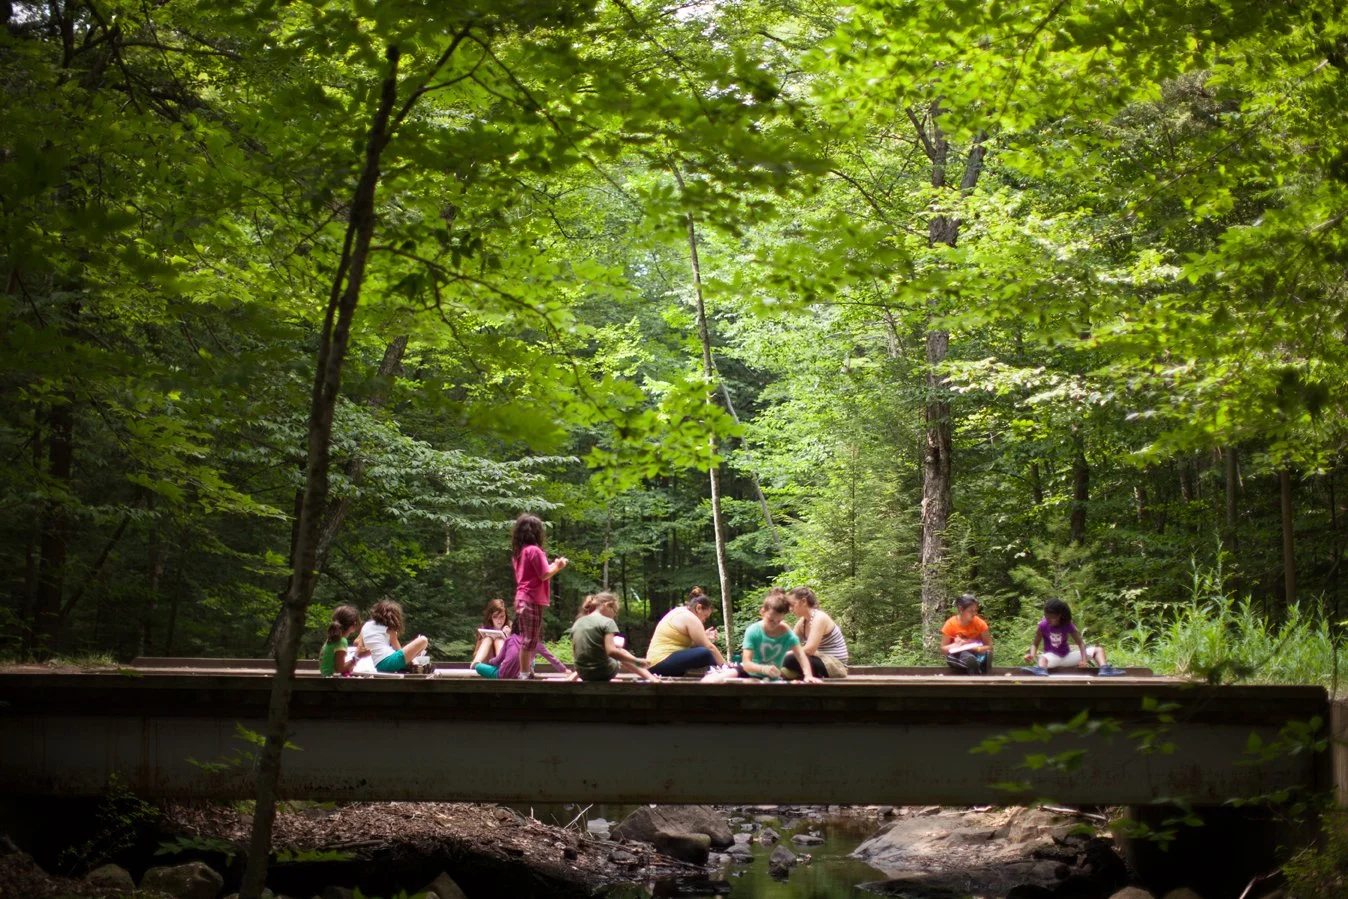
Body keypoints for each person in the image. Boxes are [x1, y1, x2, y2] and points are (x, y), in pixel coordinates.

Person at [709, 591, 819, 683]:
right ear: (762, 612)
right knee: (712, 681)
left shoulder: (787, 634)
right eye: (771, 620)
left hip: (772, 679)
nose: (774, 624)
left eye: (778, 621)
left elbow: (801, 656)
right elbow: (747, 663)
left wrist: (808, 675)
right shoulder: (754, 631)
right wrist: (763, 669)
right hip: (749, 673)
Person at [512, 513, 568, 680]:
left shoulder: (520, 552)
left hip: (523, 598)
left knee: (530, 638)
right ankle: (523, 674)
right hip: (531, 599)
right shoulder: (535, 551)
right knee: (529, 639)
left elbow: (536, 574)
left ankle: (527, 671)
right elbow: (544, 574)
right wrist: (559, 565)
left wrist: (553, 566)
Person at [570, 592, 659, 683]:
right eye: (615, 611)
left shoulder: (578, 622)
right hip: (604, 672)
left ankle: (571, 678)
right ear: (607, 605)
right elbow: (612, 652)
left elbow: (577, 652)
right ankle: (652, 679)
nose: (614, 615)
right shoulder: (607, 622)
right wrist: (637, 660)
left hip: (582, 673)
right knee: (620, 651)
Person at [1022, 598, 1124, 676]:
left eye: (1051, 618)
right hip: (1051, 658)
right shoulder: (1043, 625)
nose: (1048, 620)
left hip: (1067, 657)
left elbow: (1080, 643)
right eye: (1046, 616)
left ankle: (1104, 669)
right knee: (1042, 658)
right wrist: (1032, 655)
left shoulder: (1067, 624)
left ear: (1059, 616)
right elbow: (1035, 644)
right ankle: (1041, 671)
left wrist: (1083, 660)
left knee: (1098, 650)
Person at [647, 586, 726, 677]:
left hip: (655, 663)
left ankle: (716, 673)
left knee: (704, 652)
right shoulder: (690, 617)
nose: (704, 620)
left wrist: (704, 636)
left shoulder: (679, 611)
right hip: (660, 662)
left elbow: (687, 646)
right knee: (706, 653)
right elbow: (710, 647)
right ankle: (723, 673)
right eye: (705, 616)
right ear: (699, 608)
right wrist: (726, 667)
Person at [782, 587, 849, 679]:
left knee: (789, 659)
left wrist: (785, 655)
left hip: (834, 665)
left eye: (793, 605)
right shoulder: (802, 622)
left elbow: (810, 650)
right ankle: (791, 673)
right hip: (817, 660)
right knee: (782, 658)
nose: (790, 609)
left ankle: (791, 673)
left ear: (804, 601)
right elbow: (788, 645)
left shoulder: (819, 618)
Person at [360, 599, 429, 674]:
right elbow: (398, 649)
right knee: (423, 640)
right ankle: (415, 662)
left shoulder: (366, 625)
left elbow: (358, 643)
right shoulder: (389, 629)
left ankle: (413, 662)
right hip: (389, 662)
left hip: (375, 664)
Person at [472, 633, 571, 680]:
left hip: (502, 675)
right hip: (521, 674)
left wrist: (490, 661)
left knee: (478, 667)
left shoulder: (510, 638)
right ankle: (529, 669)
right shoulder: (536, 643)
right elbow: (552, 658)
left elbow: (498, 660)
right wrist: (564, 670)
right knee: (532, 660)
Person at [941, 593, 993, 675]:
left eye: (975, 611)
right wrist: (955, 645)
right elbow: (943, 649)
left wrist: (977, 648)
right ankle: (976, 679)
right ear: (961, 609)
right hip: (956, 655)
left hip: (976, 652)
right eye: (970, 611)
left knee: (987, 654)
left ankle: (983, 672)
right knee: (969, 658)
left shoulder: (980, 623)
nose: (974, 614)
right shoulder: (950, 624)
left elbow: (989, 646)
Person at [319, 605, 364, 677]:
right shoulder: (341, 641)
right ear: (354, 625)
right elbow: (340, 669)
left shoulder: (332, 638)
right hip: (332, 682)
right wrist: (358, 657)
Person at [471, 598, 512, 667]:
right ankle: (475, 663)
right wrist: (483, 641)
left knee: (498, 640)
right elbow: (475, 653)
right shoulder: (484, 628)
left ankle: (502, 665)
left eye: (502, 616)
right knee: (488, 639)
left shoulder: (510, 627)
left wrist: (509, 636)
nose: (499, 621)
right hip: (487, 662)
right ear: (490, 617)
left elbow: (516, 652)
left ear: (506, 616)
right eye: (495, 617)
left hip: (504, 662)